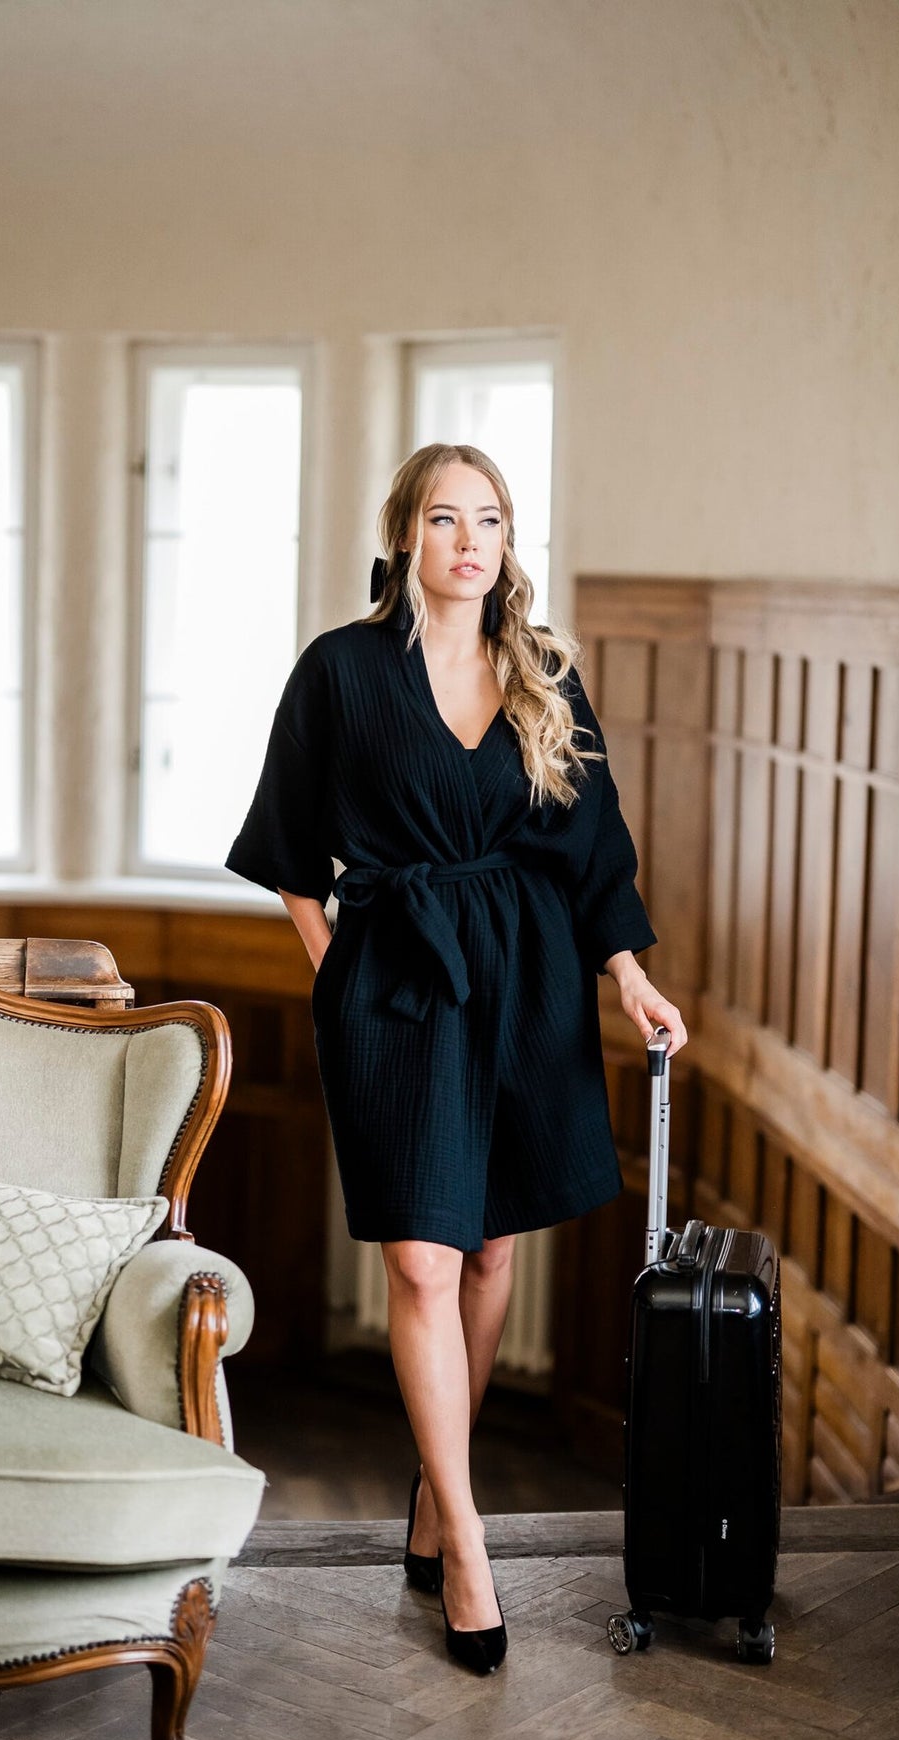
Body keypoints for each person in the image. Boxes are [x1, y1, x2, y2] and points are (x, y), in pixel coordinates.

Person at [225, 442, 686, 1675]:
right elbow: (287, 847)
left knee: (488, 1254)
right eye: (445, 518)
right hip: (398, 988)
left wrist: (630, 977)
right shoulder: (340, 670)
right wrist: (339, 969)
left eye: (488, 519)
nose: (469, 540)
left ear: (506, 540)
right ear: (406, 536)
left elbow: (595, 850)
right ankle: (470, 1543)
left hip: (529, 981)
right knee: (422, 1258)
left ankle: (436, 1493)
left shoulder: (543, 673)